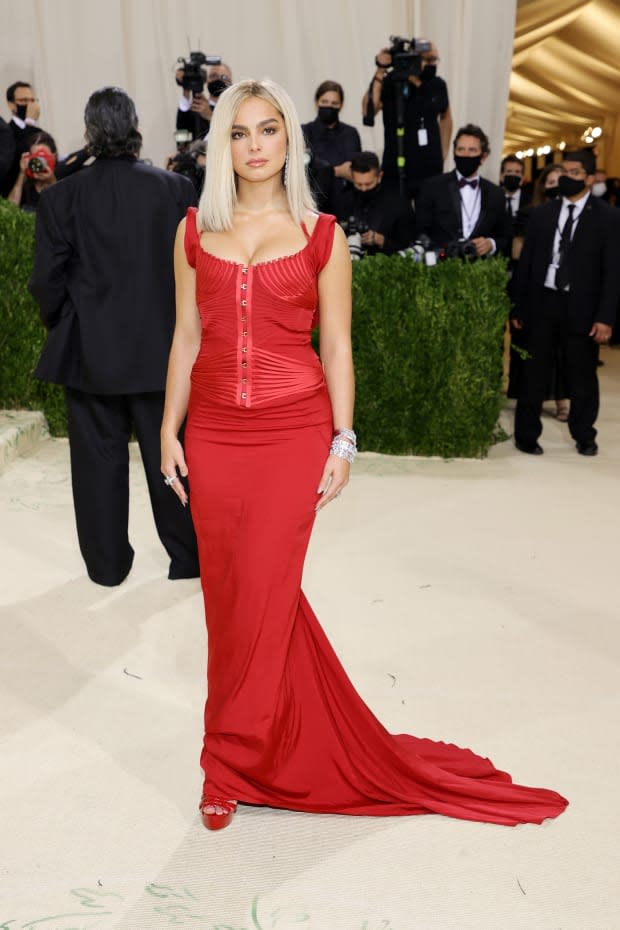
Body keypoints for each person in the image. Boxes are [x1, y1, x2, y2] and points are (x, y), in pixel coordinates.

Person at [160, 77, 567, 831]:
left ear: (291, 140)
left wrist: (343, 440)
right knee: (229, 596)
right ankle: (244, 750)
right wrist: (166, 430)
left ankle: (227, 763)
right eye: (241, 132)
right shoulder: (191, 231)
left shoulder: (321, 236)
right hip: (213, 435)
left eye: (269, 130)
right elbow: (187, 338)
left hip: (292, 434)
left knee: (268, 588)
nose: (255, 146)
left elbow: (338, 346)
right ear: (224, 145)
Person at [29, 87, 199, 586]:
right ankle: (188, 559)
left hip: (90, 354)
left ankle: (106, 568)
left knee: (97, 467)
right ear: (135, 125)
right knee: (172, 458)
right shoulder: (175, 190)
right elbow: (195, 272)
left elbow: (46, 281)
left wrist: (67, 323)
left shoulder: (61, 197)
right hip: (163, 354)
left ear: (88, 131)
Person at [512, 149, 620, 456]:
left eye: (574, 173)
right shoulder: (542, 214)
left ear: (588, 177)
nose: (565, 178)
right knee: (534, 372)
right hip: (543, 303)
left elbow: (613, 272)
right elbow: (527, 263)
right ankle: (526, 435)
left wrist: (606, 318)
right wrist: (518, 306)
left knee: (582, 374)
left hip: (582, 307)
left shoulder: (609, 217)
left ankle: (584, 434)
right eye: (563, 172)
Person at [508, 163, 569, 419]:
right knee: (534, 348)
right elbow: (517, 254)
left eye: (560, 182)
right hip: (535, 289)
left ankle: (562, 399)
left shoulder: (577, 216)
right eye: (550, 182)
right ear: (543, 185)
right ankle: (528, 397)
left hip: (564, 291)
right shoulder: (530, 214)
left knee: (562, 350)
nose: (555, 187)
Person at [362, 42, 452, 198]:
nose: (431, 64)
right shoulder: (393, 81)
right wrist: (380, 69)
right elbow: (368, 110)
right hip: (397, 165)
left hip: (430, 168)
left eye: (434, 60)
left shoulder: (438, 85)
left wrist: (443, 152)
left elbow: (446, 117)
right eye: (427, 59)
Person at [415, 123, 512, 256]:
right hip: (440, 268)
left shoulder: (497, 194)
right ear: (454, 153)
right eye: (461, 149)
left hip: (480, 271)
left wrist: (491, 244)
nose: (465, 154)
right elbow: (420, 231)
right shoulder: (432, 187)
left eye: (472, 150)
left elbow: (505, 237)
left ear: (483, 157)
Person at [336, 150, 415, 255]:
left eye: (368, 184)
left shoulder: (398, 204)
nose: (363, 189)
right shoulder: (344, 201)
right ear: (352, 177)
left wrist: (381, 240)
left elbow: (408, 248)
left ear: (379, 177)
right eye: (358, 184)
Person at [301, 80, 361, 189]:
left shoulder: (350, 133)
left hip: (344, 197)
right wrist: (336, 171)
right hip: (314, 197)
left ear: (341, 105)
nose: (329, 106)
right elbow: (303, 170)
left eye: (334, 103)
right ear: (316, 102)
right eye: (324, 102)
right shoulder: (303, 131)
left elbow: (352, 169)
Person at [1, 81, 44, 197]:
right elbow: (15, 156)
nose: (29, 105)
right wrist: (29, 122)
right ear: (11, 104)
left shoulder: (39, 133)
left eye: (32, 101)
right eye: (24, 100)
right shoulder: (5, 132)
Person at [175, 61, 233, 141]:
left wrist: (210, 116)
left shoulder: (235, 110)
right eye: (214, 76)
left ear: (231, 83)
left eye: (224, 77)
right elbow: (182, 131)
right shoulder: (197, 107)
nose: (218, 80)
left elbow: (232, 135)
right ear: (206, 80)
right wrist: (186, 87)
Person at [7, 130, 57, 211]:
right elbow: (9, 210)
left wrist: (52, 181)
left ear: (54, 156)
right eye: (35, 156)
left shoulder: (64, 175)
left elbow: (65, 209)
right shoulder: (27, 181)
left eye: (43, 156)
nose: (38, 161)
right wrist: (22, 173)